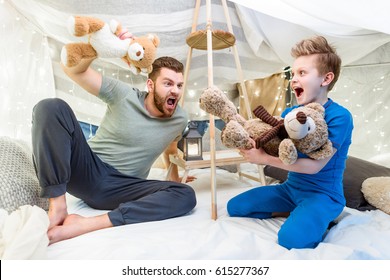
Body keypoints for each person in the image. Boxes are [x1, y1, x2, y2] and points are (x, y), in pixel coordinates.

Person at [31, 56, 197, 244]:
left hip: (122, 187)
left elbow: (170, 144)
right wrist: (94, 51)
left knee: (185, 195)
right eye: (168, 83)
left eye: (179, 85)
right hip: (87, 170)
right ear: (150, 85)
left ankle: (84, 224)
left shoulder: (180, 118)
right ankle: (58, 206)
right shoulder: (123, 94)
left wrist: (173, 175)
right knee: (51, 107)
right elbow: (73, 69)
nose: (175, 90)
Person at [227, 36, 353, 249]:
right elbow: (271, 141)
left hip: (324, 195)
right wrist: (252, 142)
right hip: (290, 189)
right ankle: (293, 211)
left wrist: (264, 159)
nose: (293, 79)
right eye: (293, 73)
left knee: (291, 239)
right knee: (235, 206)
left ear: (326, 78)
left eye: (302, 73)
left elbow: (315, 167)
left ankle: (321, 216)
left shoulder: (339, 116)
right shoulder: (290, 114)